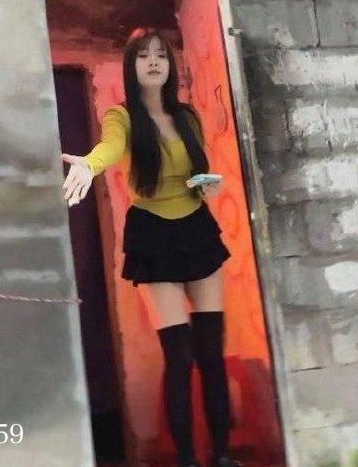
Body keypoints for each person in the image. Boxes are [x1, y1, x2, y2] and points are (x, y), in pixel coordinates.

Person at [61, 28, 241, 467]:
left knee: (211, 353)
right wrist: (89, 164)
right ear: (132, 65)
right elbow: (110, 148)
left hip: (197, 230)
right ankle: (186, 459)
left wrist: (207, 186)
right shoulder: (122, 117)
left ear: (170, 65)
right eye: (144, 56)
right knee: (179, 356)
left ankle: (222, 455)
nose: (155, 61)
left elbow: (198, 174)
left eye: (161, 54)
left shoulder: (188, 117)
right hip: (153, 235)